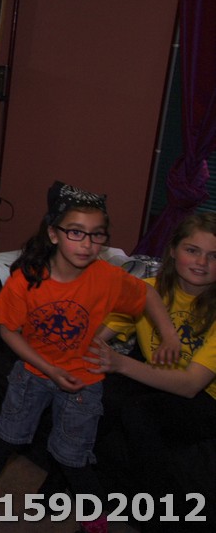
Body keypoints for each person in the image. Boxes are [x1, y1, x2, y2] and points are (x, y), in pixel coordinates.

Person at [0, 181, 181, 533]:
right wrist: (49, 369)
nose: (87, 244)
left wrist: (169, 335)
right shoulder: (27, 280)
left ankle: (95, 522)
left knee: (74, 457)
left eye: (96, 235)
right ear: (54, 234)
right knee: (7, 437)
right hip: (33, 373)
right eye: (76, 232)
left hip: (83, 380)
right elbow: (8, 332)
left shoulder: (107, 277)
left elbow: (148, 296)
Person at [88, 212, 216, 531]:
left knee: (139, 415)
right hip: (155, 378)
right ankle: (77, 486)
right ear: (173, 250)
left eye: (214, 256)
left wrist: (119, 363)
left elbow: (191, 384)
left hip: (205, 398)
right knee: (93, 396)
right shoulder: (148, 290)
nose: (202, 262)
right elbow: (96, 337)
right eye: (192, 250)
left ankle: (159, 513)